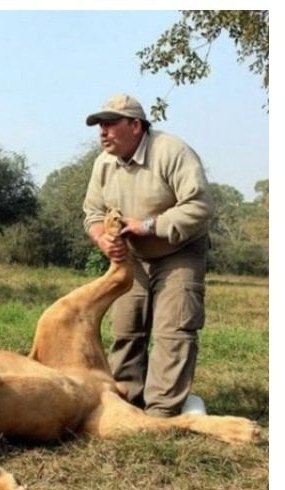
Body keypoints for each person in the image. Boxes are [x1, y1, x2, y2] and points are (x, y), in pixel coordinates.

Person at [82, 94, 214, 417]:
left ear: (135, 125)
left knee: (174, 331)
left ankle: (163, 412)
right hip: (133, 257)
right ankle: (127, 404)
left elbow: (200, 206)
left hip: (179, 251)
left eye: (111, 124)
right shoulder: (103, 164)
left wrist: (149, 226)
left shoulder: (171, 151)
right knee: (126, 330)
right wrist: (103, 239)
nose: (103, 132)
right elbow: (92, 213)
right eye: (100, 125)